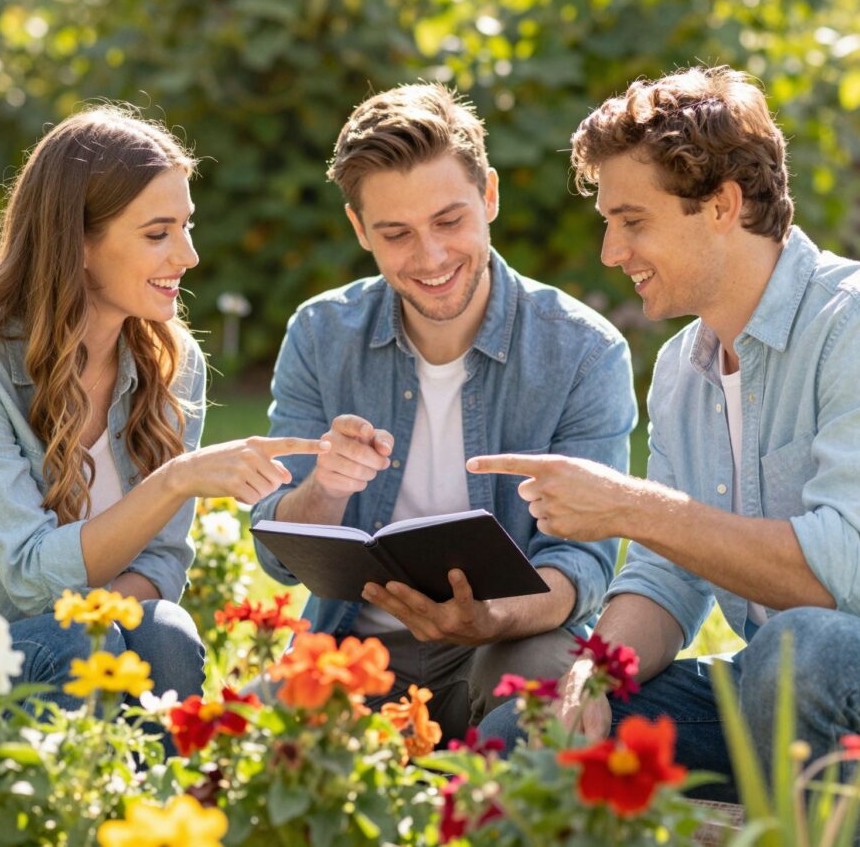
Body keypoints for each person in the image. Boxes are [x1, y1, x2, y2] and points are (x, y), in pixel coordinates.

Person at [471, 66, 860, 827]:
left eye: (633, 221)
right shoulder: (682, 369)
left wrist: (631, 506)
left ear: (723, 206)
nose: (611, 251)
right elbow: (665, 578)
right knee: (533, 729)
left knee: (801, 649)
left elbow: (844, 581)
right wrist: (596, 677)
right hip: (786, 698)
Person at [0, 105, 327, 710]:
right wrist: (174, 482)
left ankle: (156, 803)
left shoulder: (172, 362)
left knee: (163, 633)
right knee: (86, 646)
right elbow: (31, 575)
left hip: (84, 644)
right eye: (157, 234)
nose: (188, 256)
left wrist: (109, 623)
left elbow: (161, 562)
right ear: (78, 244)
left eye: (187, 226)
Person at [251, 83, 637, 741]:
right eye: (396, 234)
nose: (430, 258)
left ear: (489, 195)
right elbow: (279, 553)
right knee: (240, 748)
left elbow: (580, 568)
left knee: (545, 717)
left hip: (509, 644)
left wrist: (489, 619)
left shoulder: (582, 351)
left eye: (449, 221)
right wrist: (327, 487)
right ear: (358, 229)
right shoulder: (321, 335)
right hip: (355, 652)